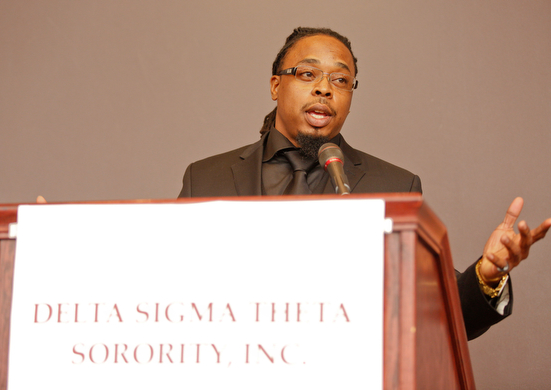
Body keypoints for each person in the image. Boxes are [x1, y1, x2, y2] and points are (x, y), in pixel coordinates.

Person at [177, 27, 551, 339]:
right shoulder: (205, 178)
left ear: (349, 98)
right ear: (276, 85)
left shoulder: (394, 185)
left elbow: (438, 310)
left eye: (340, 80)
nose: (325, 88)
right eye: (308, 74)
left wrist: (488, 273)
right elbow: (168, 289)